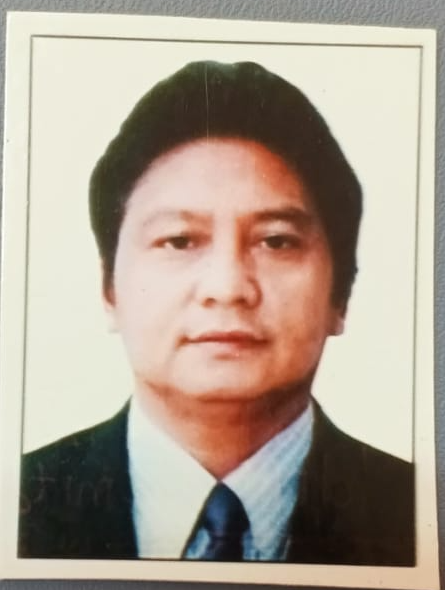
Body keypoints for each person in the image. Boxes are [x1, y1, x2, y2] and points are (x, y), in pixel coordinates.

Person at [19, 61, 414, 565]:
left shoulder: (419, 515)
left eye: (276, 241)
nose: (227, 288)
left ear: (342, 295)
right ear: (109, 289)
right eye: (179, 240)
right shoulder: (19, 504)